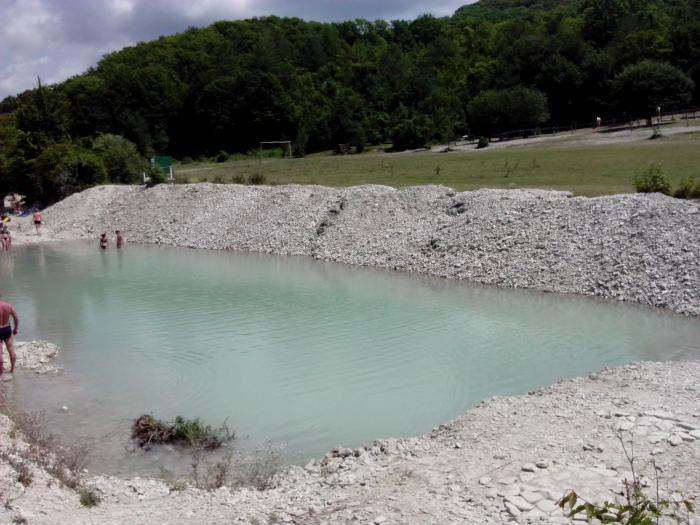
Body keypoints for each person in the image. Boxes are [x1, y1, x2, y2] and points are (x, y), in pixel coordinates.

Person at [0, 294, 19, 376]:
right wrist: (15, 329)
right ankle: (13, 369)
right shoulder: (8, 306)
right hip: (7, 329)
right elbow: (16, 318)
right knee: (11, 349)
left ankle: (1, 372)